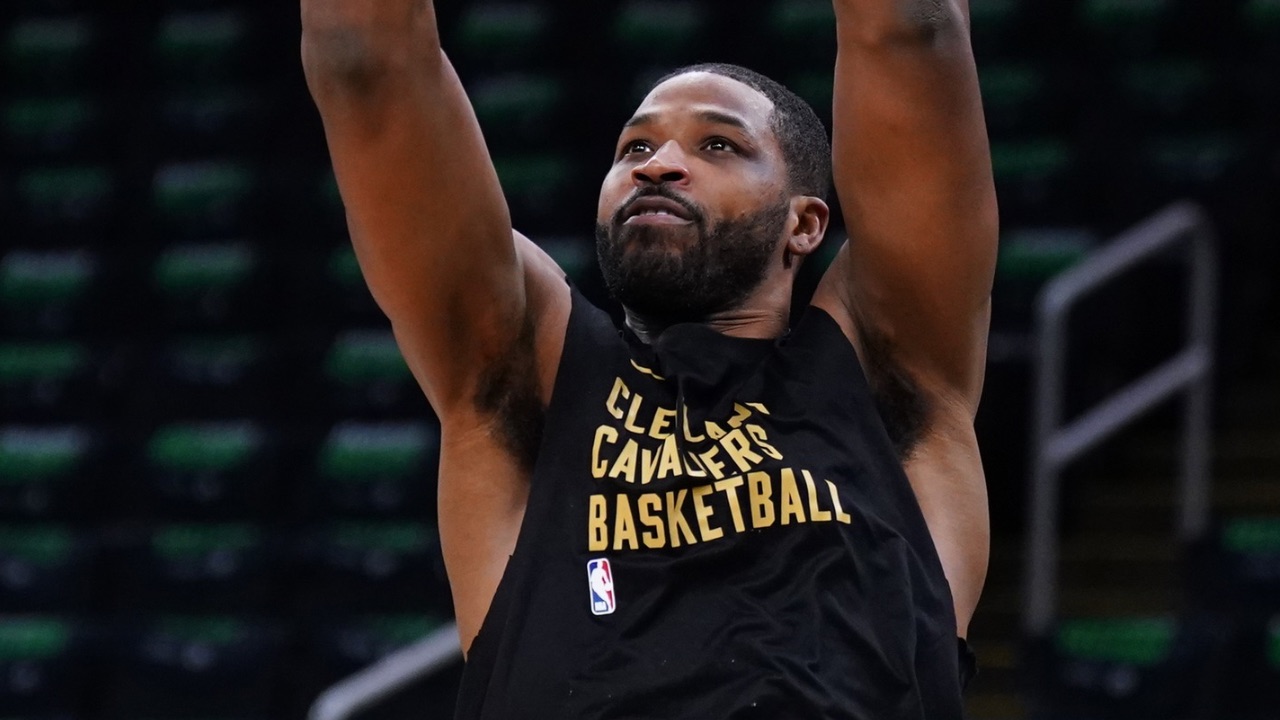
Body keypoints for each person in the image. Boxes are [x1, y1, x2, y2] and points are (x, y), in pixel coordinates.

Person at [301, 0, 996, 716]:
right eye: (634, 148)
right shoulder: (530, 380)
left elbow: (910, 28)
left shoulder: (885, 369)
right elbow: (364, 57)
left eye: (718, 145)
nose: (658, 166)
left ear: (805, 223)